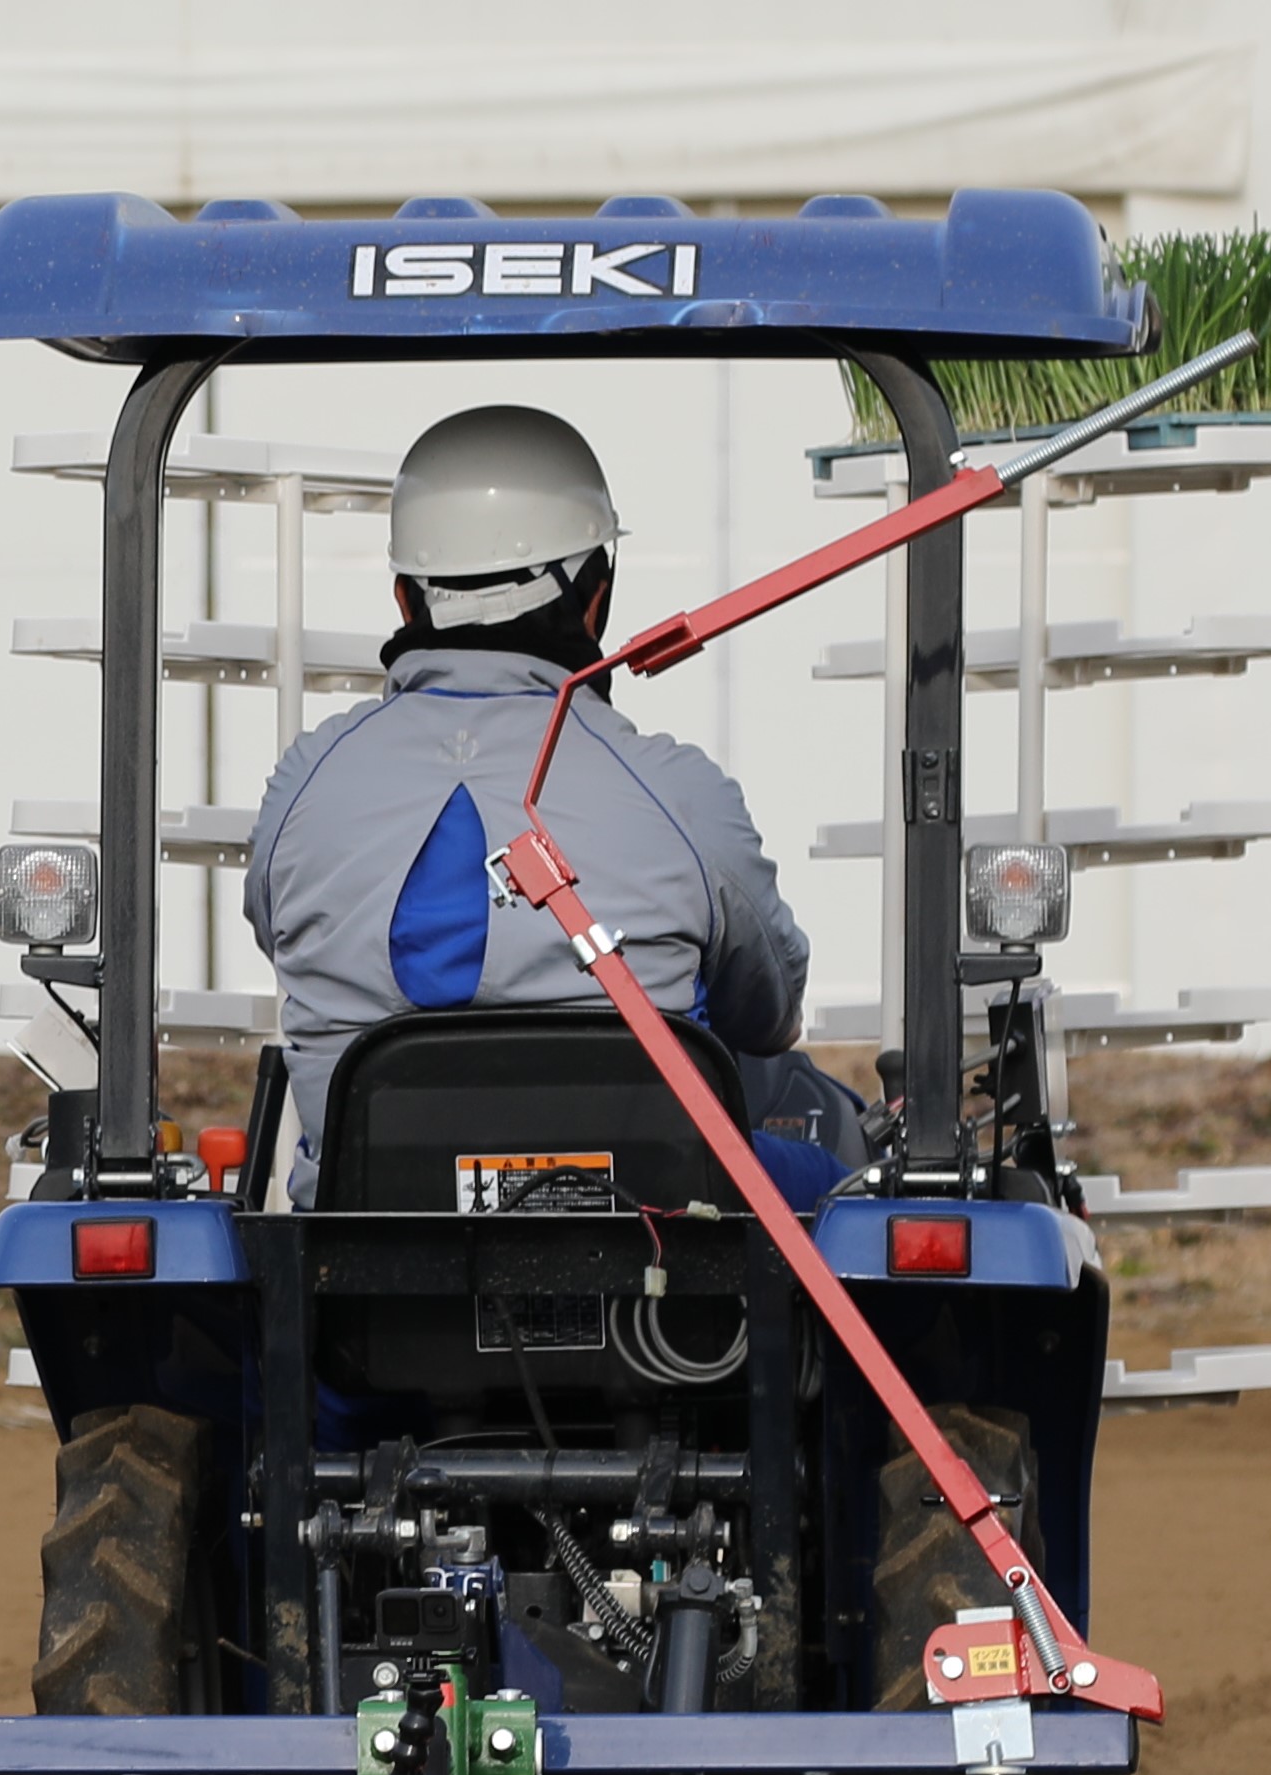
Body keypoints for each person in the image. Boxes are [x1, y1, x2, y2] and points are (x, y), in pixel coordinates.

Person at [243, 403, 861, 1207]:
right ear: (596, 598)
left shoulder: (304, 787)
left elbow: (277, 938)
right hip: (653, 1238)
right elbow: (769, 1016)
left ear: (403, 598)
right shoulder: (677, 794)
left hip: (364, 1238)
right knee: (840, 1162)